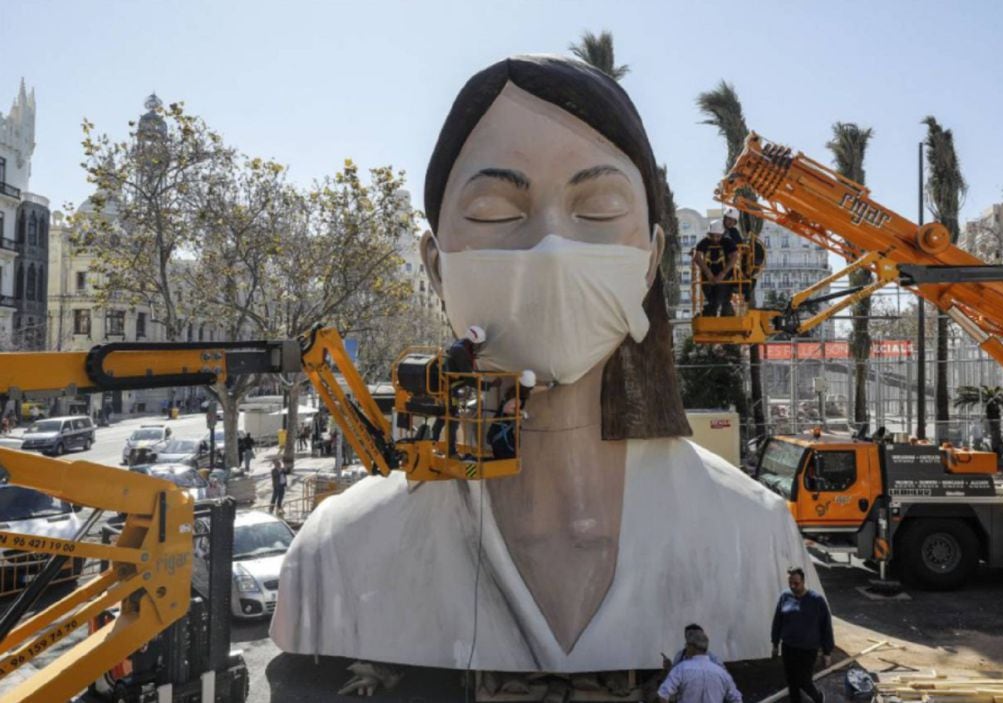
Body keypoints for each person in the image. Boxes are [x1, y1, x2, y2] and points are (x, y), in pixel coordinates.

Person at [273, 54, 817, 673]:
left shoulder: (755, 537)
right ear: (435, 266)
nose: (552, 248)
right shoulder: (335, 557)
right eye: (496, 214)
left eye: (599, 209)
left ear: (650, 259)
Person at [771, 567, 835, 703]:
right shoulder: (785, 597)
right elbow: (778, 621)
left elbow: (826, 627)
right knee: (791, 681)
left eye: (796, 583)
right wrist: (775, 643)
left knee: (804, 680)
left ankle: (818, 698)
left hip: (808, 648)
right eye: (790, 583)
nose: (793, 586)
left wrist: (827, 652)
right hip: (789, 647)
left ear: (803, 581)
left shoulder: (816, 600)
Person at [430, 325, 486, 458]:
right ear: (473, 341)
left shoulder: (460, 347)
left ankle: (434, 443)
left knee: (443, 416)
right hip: (449, 391)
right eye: (478, 345)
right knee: (452, 419)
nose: (478, 348)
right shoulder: (460, 351)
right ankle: (451, 451)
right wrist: (488, 385)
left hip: (446, 389)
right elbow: (468, 378)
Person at [658, 628, 742, 703]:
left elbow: (663, 694)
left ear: (691, 647)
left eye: (687, 645)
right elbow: (737, 699)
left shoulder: (682, 669)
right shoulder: (721, 673)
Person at [487, 369, 536, 460]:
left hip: (496, 432)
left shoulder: (513, 391)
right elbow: (507, 408)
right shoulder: (518, 398)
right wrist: (521, 413)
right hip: (500, 436)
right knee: (511, 456)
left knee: (507, 454)